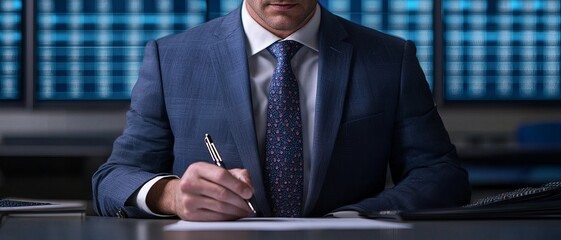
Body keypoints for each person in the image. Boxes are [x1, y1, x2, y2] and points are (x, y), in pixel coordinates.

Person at [92, 0, 471, 221]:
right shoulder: (170, 58)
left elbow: (441, 176)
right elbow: (112, 179)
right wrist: (171, 196)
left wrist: (354, 218)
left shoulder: (391, 59)